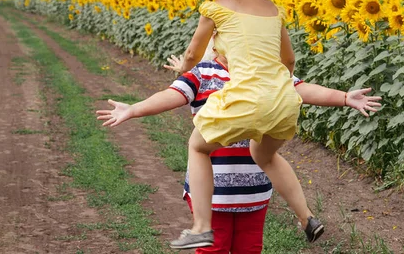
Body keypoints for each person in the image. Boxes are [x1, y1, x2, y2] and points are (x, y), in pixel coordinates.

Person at [102, 0, 322, 249]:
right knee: (268, 157)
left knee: (197, 146)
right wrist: (275, 79)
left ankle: (201, 224)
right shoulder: (273, 11)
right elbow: (288, 63)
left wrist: (183, 72)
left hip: (241, 110)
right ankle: (307, 217)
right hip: (280, 105)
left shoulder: (215, 10)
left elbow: (192, 54)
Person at [96, 48, 380, 253]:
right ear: (219, 39)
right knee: (214, 249)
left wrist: (344, 98)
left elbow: (304, 90)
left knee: (250, 248)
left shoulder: (268, 74)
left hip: (255, 190)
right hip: (212, 192)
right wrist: (133, 109)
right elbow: (171, 96)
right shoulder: (204, 73)